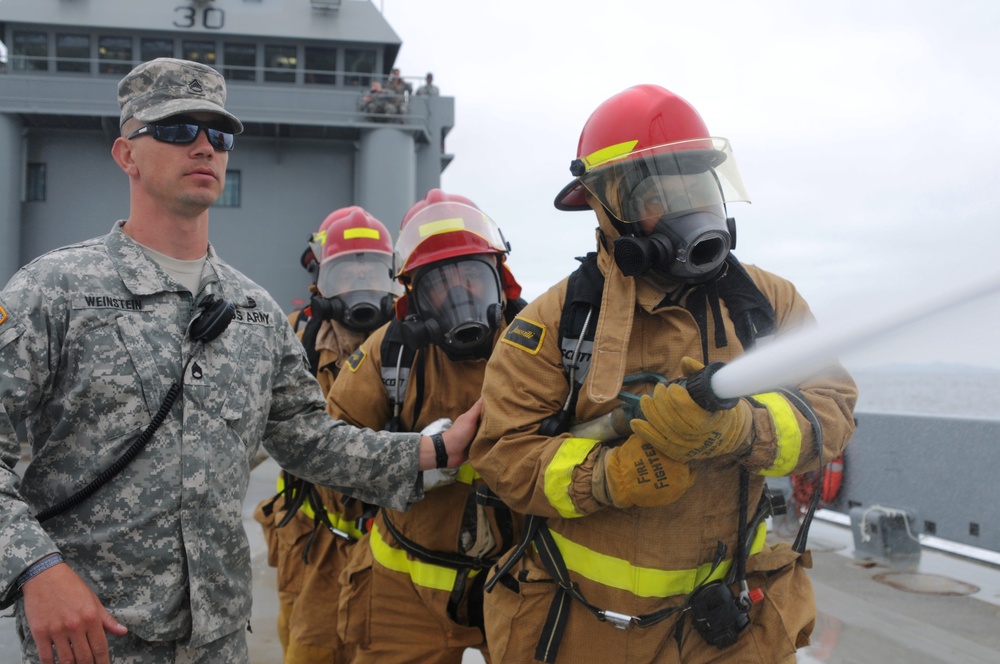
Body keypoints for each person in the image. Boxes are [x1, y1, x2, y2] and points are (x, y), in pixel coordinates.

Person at [0, 57, 479, 664]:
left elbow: (310, 439)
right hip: (93, 637)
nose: (203, 147)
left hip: (217, 640)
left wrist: (433, 450)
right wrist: (36, 570)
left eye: (217, 134)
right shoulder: (54, 290)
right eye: (177, 130)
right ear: (127, 155)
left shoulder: (251, 309)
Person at [468, 84, 859, 663]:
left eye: (695, 185)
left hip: (734, 625)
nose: (685, 209)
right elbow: (503, 458)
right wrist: (612, 476)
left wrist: (743, 431)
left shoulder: (767, 304)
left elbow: (832, 408)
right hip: (588, 629)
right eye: (657, 192)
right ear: (607, 210)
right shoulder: (555, 324)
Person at [333, 190, 525, 664]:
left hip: (518, 586)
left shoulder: (537, 348)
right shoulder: (390, 353)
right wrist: (415, 458)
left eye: (472, 278)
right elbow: (329, 449)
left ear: (500, 280)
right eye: (439, 283)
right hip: (403, 596)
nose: (459, 294)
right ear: (413, 298)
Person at [253, 206, 400, 663]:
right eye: (345, 271)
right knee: (307, 645)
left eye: (372, 269)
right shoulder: (292, 339)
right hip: (311, 534)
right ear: (320, 281)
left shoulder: (406, 345)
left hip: (388, 540)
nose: (359, 283)